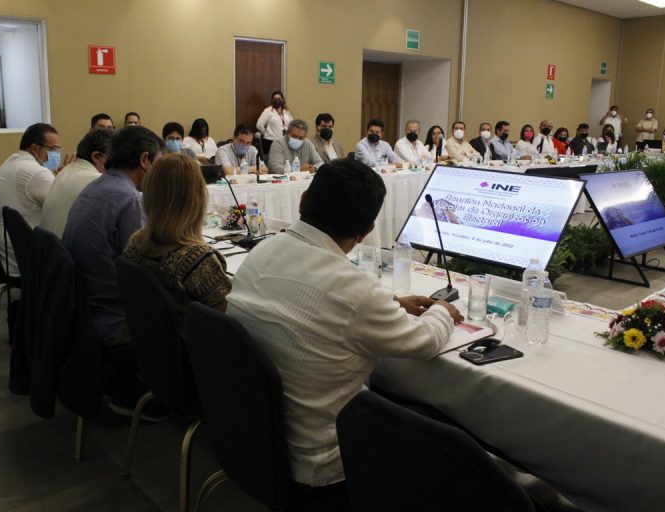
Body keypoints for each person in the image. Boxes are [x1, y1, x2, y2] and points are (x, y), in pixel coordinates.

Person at [227, 158, 462, 508]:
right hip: (320, 469)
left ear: (304, 201)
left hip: (254, 437)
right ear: (366, 230)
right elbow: (425, 341)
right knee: (450, 431)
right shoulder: (354, 292)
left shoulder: (264, 250)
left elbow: (320, 297)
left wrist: (391, 302)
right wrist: (443, 311)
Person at [63, 125, 163, 346]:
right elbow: (143, 273)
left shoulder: (94, 187)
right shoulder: (130, 199)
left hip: (84, 309)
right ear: (145, 160)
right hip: (115, 318)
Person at [123, 153, 230, 312]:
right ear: (196, 199)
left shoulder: (134, 243)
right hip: (192, 335)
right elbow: (231, 317)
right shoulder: (198, 261)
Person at [0, 123, 71, 276]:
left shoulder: (14, 161)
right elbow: (65, 208)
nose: (57, 154)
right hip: (22, 259)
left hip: (0, 253)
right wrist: (67, 176)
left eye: (58, 149)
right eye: (53, 149)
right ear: (35, 148)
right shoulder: (36, 173)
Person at [40, 128, 113, 237]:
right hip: (67, 251)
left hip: (51, 249)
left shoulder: (67, 169)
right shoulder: (96, 181)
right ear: (97, 157)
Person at [256, 91, 293, 156]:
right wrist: (266, 133)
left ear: (283, 99)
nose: (277, 101)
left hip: (285, 141)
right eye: (275, 99)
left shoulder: (286, 111)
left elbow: (292, 124)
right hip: (270, 141)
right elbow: (259, 125)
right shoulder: (268, 110)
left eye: (279, 99)